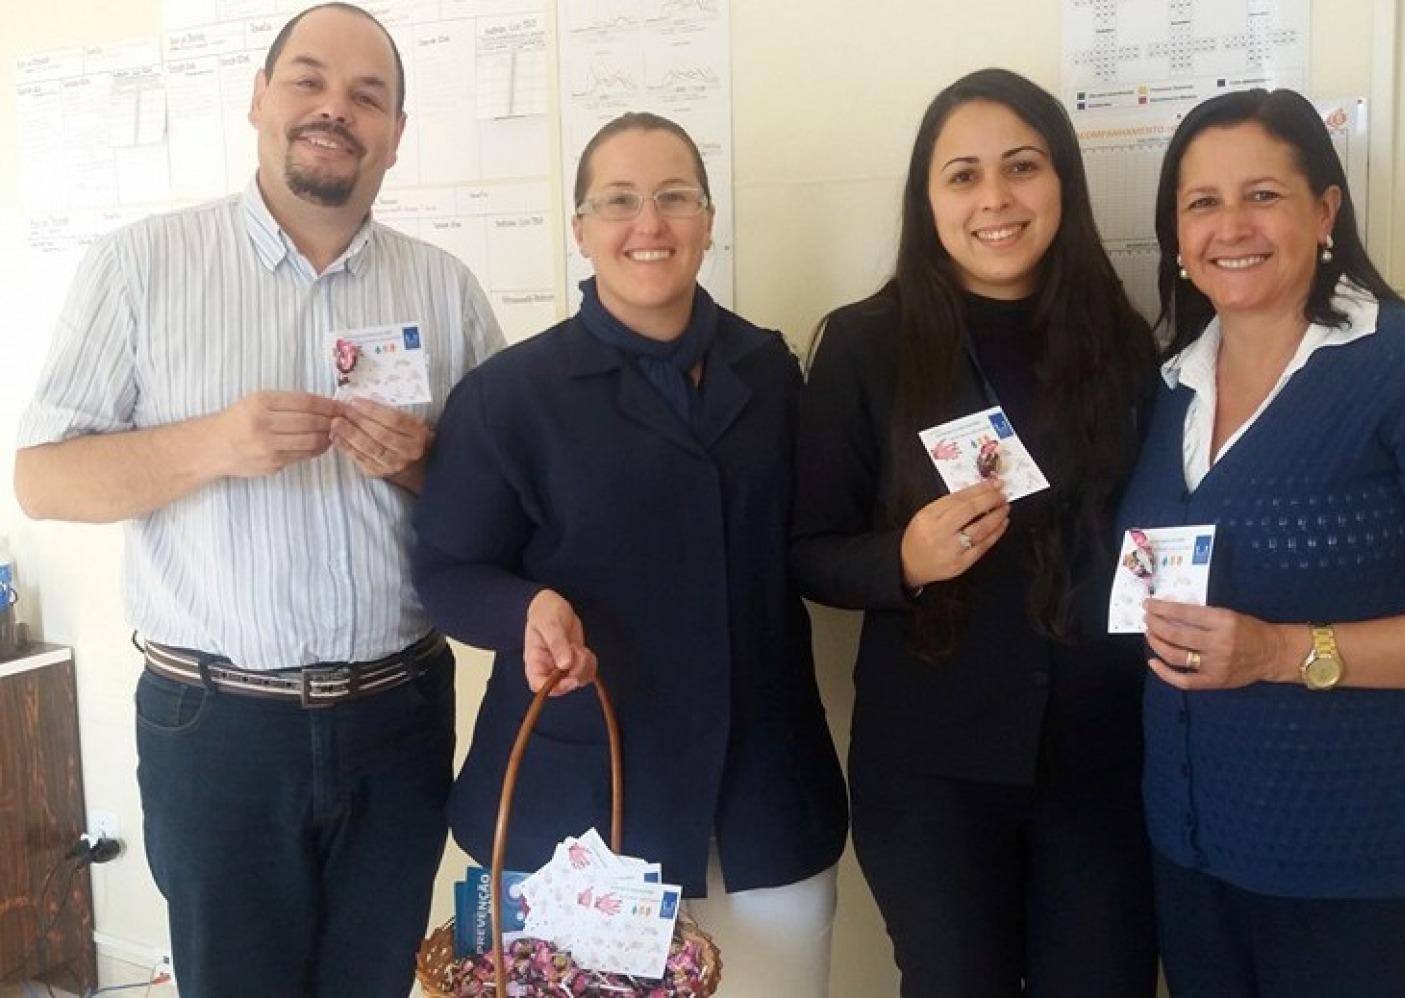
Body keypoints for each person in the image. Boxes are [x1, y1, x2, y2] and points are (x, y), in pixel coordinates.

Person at [12, 5, 504, 995]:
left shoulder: (447, 290)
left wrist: (422, 464)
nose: (336, 109)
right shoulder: (141, 266)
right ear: (257, 100)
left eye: (369, 95)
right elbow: (41, 476)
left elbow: (507, 510)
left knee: (372, 979)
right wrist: (212, 443)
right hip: (213, 725)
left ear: (397, 132)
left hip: (396, 716)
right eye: (308, 80)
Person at [1118, 88, 1405, 997]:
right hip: (1194, 855)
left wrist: (1285, 652)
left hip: (1369, 871)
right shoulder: (1170, 385)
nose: (1231, 226)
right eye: (1201, 203)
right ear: (1176, 235)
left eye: (1264, 194)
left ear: (1326, 210)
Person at [411, 111, 848, 998]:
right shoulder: (508, 397)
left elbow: (811, 541)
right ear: (580, 230)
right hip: (577, 809)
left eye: (673, 196)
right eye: (617, 201)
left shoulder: (770, 372)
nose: (647, 223)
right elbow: (448, 572)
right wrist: (525, 610)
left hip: (762, 799)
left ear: (708, 218)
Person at [792, 68, 1158, 997]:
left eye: (1022, 167)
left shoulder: (1120, 340)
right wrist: (902, 561)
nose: (995, 198)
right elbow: (808, 548)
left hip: (1101, 763)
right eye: (962, 175)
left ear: (1063, 184)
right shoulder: (867, 345)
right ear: (928, 200)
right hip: (932, 775)